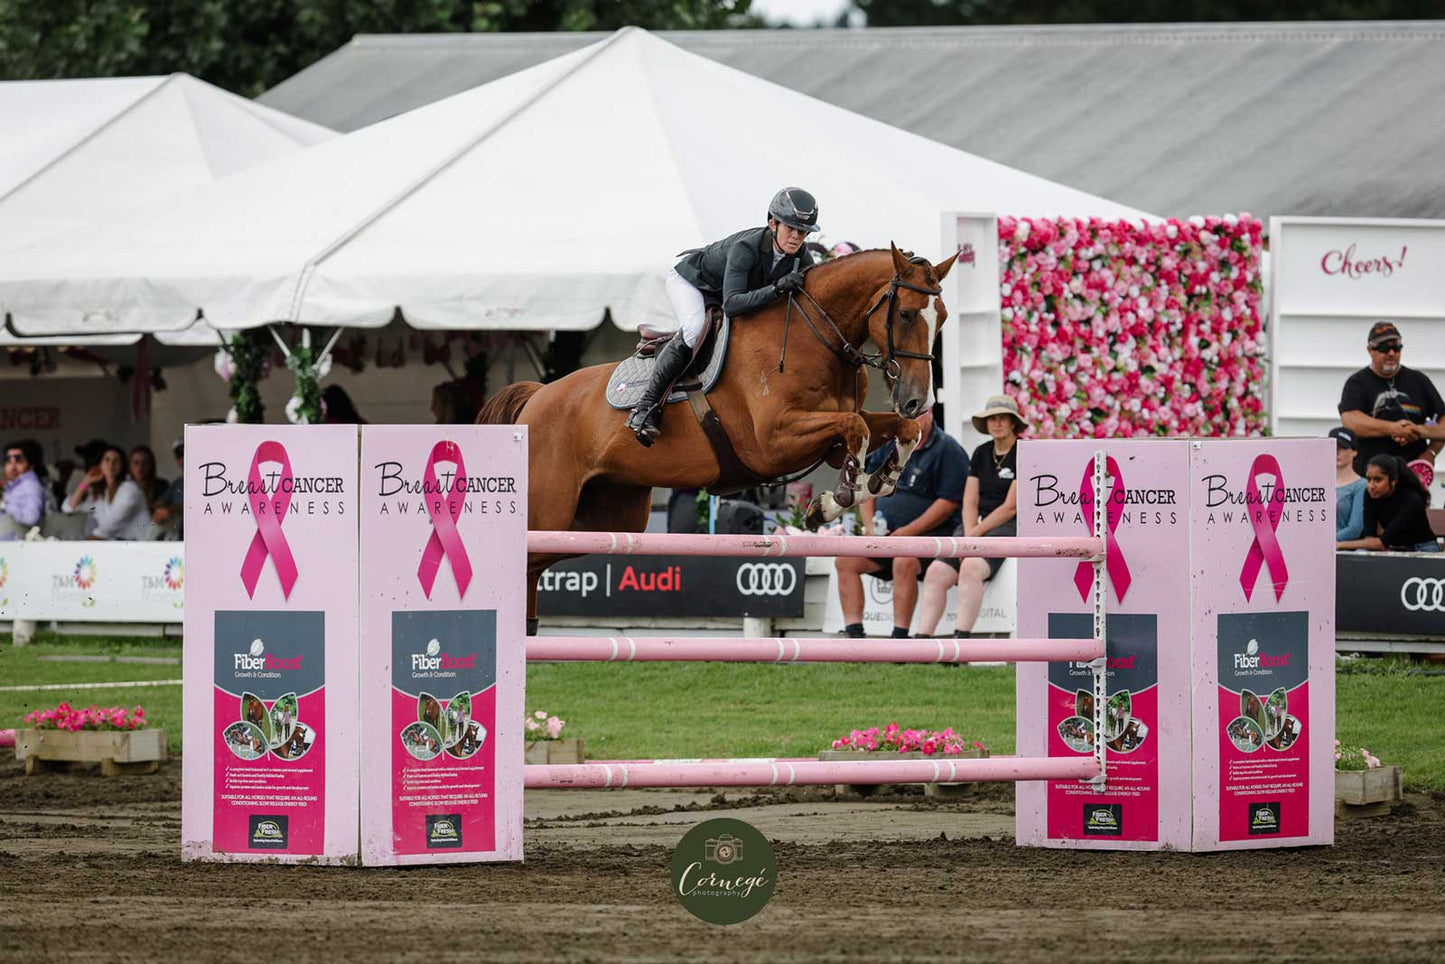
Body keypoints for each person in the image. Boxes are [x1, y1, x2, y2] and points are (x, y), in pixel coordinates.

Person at [625, 187, 821, 445]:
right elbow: (732, 304)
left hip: (727, 291)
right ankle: (645, 408)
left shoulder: (801, 257)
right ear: (772, 223)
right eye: (790, 228)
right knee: (695, 329)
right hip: (693, 283)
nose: (797, 237)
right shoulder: (746, 247)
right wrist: (776, 289)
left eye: (803, 231)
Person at [834, 409, 969, 638]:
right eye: (908, 414)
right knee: (845, 561)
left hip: (930, 538)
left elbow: (948, 503)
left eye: (919, 414)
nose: (913, 420)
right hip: (885, 535)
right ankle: (854, 635)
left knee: (903, 560)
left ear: (931, 413)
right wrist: (869, 527)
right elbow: (867, 487)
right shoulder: (888, 444)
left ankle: (900, 636)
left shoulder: (948, 449)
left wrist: (908, 532)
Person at [916, 395, 1026, 639]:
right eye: (992, 419)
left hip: (1009, 526)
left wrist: (974, 535)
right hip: (975, 526)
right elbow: (969, 500)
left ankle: (961, 639)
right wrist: (968, 532)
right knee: (935, 572)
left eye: (1002, 419)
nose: (996, 424)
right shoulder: (981, 452)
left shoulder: (1024, 452)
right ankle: (922, 641)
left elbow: (1011, 507)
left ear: (1012, 423)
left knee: (971, 567)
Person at [1338, 322, 1445, 476]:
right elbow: (1351, 421)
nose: (1391, 353)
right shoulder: (1357, 382)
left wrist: (1427, 446)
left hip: (1412, 476)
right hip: (1371, 477)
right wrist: (1392, 428)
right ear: (1370, 350)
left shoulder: (1419, 380)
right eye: (1384, 348)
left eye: (1396, 348)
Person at [1337, 454, 1438, 553]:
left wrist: (1339, 545)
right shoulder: (1370, 493)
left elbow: (1381, 542)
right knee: (1361, 552)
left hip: (1422, 548)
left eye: (1378, 480)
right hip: (1394, 548)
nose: (1371, 485)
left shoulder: (1411, 499)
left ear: (1393, 480)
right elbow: (1370, 536)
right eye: (1368, 479)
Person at [62, 444, 150, 540]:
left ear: (122, 466)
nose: (111, 464)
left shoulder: (130, 489)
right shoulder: (102, 495)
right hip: (118, 547)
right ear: (100, 465)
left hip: (140, 547)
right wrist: (86, 481)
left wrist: (88, 542)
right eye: (107, 459)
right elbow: (69, 507)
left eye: (116, 461)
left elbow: (112, 523)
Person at [2, 439, 47, 539]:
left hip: (20, 546)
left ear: (30, 465)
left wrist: (5, 504)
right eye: (9, 461)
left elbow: (31, 518)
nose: (13, 466)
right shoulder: (12, 485)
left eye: (18, 461)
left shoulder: (30, 485)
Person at [1332, 427, 1366, 543]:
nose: (1337, 452)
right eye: (1333, 447)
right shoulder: (1318, 482)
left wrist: (1325, 541)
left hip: (1342, 550)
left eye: (1343, 448)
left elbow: (1354, 529)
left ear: (1354, 451)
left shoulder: (1361, 485)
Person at [151, 437, 185, 540]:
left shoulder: (210, 478)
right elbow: (159, 503)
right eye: (179, 455)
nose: (184, 458)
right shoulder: (178, 483)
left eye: (188, 452)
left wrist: (173, 510)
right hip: (180, 541)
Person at [128, 445, 169, 511]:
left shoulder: (161, 486)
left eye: (145, 463)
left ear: (151, 465)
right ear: (130, 465)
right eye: (136, 463)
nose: (140, 467)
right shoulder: (124, 487)